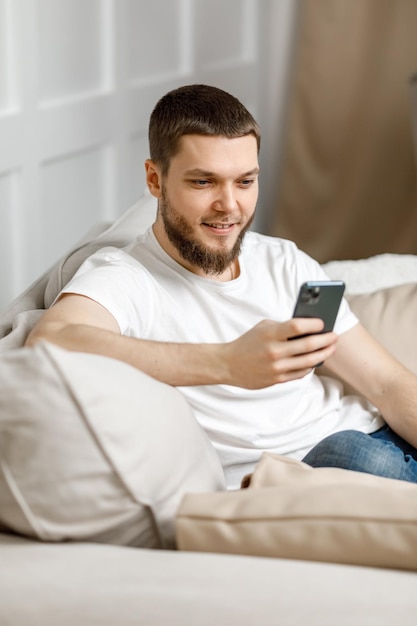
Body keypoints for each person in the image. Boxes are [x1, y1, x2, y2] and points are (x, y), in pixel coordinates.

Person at [26, 84, 417, 490]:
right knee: (352, 456)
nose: (229, 205)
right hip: (304, 476)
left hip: (377, 439)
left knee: (361, 450)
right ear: (155, 179)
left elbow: (386, 384)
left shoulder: (284, 261)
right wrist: (229, 363)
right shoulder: (126, 277)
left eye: (245, 182)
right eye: (203, 182)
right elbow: (50, 341)